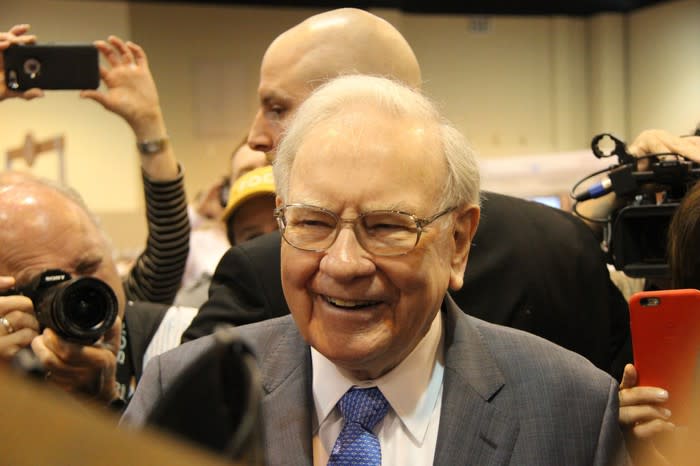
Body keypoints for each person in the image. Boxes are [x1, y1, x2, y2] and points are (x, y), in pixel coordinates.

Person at [124, 74, 628, 465]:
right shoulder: (184, 393)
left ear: (458, 242)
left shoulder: (572, 410)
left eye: (387, 226)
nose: (343, 264)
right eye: (313, 223)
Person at [182, 8, 631, 383]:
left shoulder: (260, 269)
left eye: (279, 109)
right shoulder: (561, 239)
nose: (256, 135)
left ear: (458, 240)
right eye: (314, 224)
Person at [2, 24, 190, 306]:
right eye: (46, 281)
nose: (79, 294)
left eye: (89, 267)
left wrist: (149, 123)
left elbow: (169, 248)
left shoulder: (122, 314)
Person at [175, 165, 277, 308]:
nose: (271, 244)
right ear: (233, 243)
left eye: (280, 228)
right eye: (254, 237)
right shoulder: (213, 305)